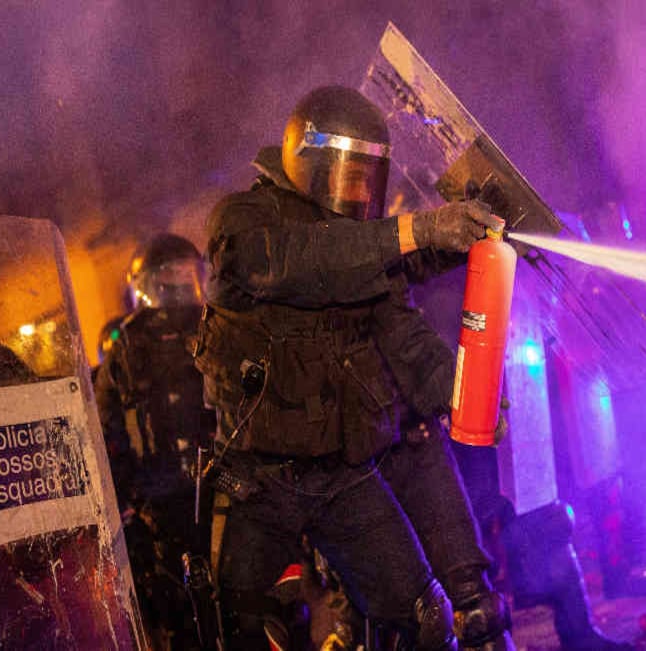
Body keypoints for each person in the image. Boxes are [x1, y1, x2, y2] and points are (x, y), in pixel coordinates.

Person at [194, 85, 515, 651]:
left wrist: (466, 399)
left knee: (425, 620)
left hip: (340, 475)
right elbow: (307, 261)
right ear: (306, 161)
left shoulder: (359, 246)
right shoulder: (244, 223)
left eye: (368, 176)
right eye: (345, 173)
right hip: (255, 481)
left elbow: (397, 312)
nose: (357, 191)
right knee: (242, 631)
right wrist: (420, 229)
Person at [93, 233, 216, 650]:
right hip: (161, 502)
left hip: (223, 488)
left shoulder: (215, 324)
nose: (181, 283)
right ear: (150, 283)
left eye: (188, 273)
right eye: (171, 275)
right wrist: (127, 494)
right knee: (181, 614)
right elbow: (105, 423)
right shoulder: (128, 343)